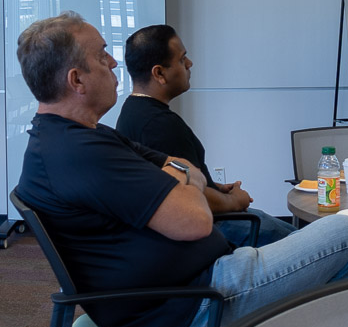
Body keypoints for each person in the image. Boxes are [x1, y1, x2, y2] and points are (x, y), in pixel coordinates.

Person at [12, 12, 348, 327]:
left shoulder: (84, 137)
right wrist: (183, 179)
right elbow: (196, 219)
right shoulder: (79, 154)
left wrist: (179, 177)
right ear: (77, 80)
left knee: (323, 241)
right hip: (194, 312)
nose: (113, 62)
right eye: (101, 54)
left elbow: (179, 169)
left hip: (199, 288)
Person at [116, 25, 295, 246]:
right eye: (182, 59)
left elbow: (177, 179)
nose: (190, 64)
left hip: (212, 222)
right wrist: (234, 201)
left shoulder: (134, 111)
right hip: (215, 229)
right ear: (159, 73)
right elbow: (188, 198)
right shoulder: (159, 124)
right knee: (319, 245)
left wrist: (214, 186)